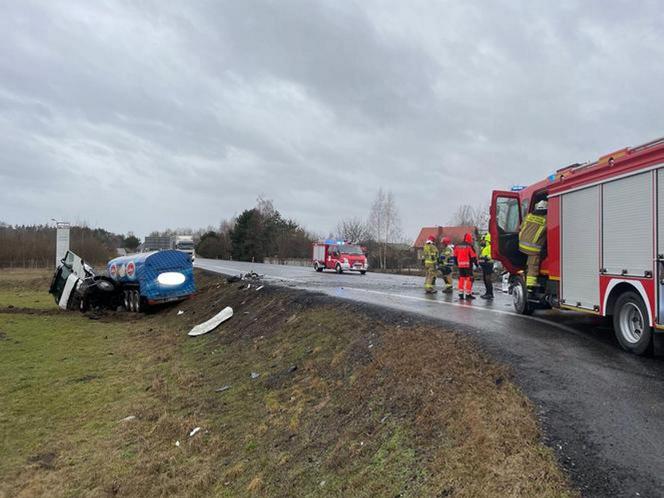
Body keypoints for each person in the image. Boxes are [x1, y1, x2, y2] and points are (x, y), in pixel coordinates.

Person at [518, 200, 548, 289]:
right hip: (534, 249)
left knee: (525, 264)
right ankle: (530, 288)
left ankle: (523, 276)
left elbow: (520, 227)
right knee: (533, 266)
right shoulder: (547, 218)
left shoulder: (529, 216)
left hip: (521, 245)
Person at [454, 232, 477, 300]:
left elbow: (455, 256)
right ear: (469, 239)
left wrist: (457, 264)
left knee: (461, 279)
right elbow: (473, 257)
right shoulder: (469, 246)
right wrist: (476, 264)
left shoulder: (457, 246)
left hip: (460, 265)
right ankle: (468, 294)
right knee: (469, 279)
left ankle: (461, 294)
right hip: (468, 265)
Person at [479, 233, 494, 299]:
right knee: (485, 279)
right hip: (485, 265)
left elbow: (492, 256)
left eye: (483, 240)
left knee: (488, 279)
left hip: (488, 265)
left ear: (487, 240)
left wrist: (486, 257)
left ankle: (490, 293)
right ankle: (487, 292)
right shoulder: (484, 248)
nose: (482, 241)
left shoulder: (490, 247)